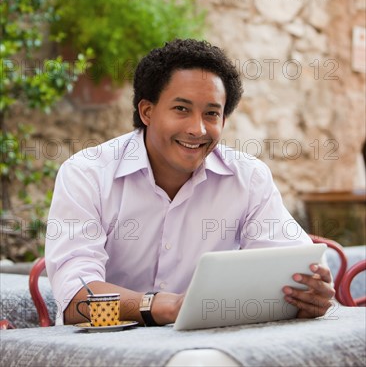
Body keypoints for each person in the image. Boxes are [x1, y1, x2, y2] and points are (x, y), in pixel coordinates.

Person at [45, 39, 335, 325]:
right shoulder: (88, 174)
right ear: (147, 111)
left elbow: (293, 266)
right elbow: (76, 304)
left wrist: (308, 294)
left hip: (207, 347)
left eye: (211, 114)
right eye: (181, 109)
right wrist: (160, 307)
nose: (197, 129)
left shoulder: (248, 179)